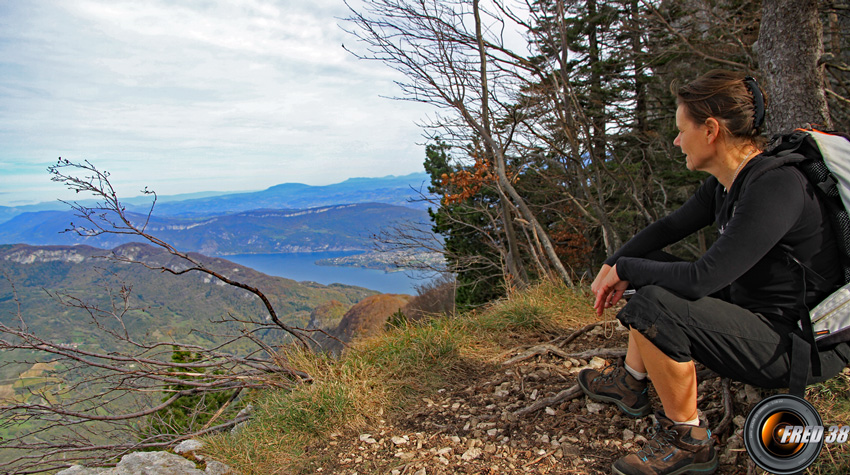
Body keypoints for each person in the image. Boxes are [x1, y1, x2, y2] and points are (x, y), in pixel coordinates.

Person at [578, 70, 850, 475]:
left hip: (798, 344)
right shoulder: (728, 182)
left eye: (680, 129)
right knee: (648, 276)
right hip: (755, 312)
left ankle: (691, 442)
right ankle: (631, 383)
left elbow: (702, 279)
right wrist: (613, 265)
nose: (675, 141)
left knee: (653, 304)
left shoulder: (776, 186)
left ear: (710, 130)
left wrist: (627, 267)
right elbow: (668, 228)